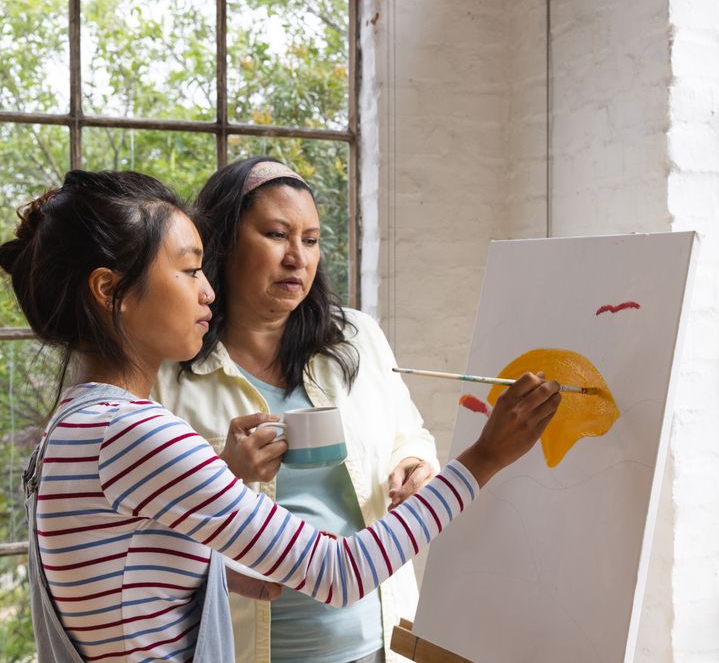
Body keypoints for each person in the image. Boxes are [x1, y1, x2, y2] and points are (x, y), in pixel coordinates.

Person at [3, 169, 562, 663]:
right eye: (190, 271)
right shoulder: (137, 431)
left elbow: (126, 585)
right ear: (111, 292)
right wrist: (484, 458)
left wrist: (213, 572)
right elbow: (342, 573)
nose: (207, 293)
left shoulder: (75, 424)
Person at [150, 157, 446, 663]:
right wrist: (226, 471)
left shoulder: (357, 338)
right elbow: (151, 535)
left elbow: (409, 434)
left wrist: (417, 465)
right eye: (276, 234)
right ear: (222, 242)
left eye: (310, 240)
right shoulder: (169, 371)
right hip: (248, 650)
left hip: (380, 643)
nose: (297, 258)